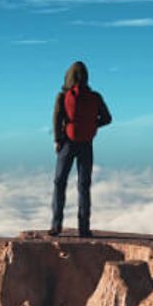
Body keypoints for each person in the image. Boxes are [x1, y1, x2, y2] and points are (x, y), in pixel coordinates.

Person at [49, 60, 112, 236]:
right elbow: (107, 118)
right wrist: (92, 125)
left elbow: (56, 119)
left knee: (60, 183)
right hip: (87, 143)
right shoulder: (95, 97)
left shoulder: (62, 96)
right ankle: (84, 229)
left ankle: (56, 226)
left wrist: (57, 139)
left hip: (67, 143)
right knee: (84, 185)